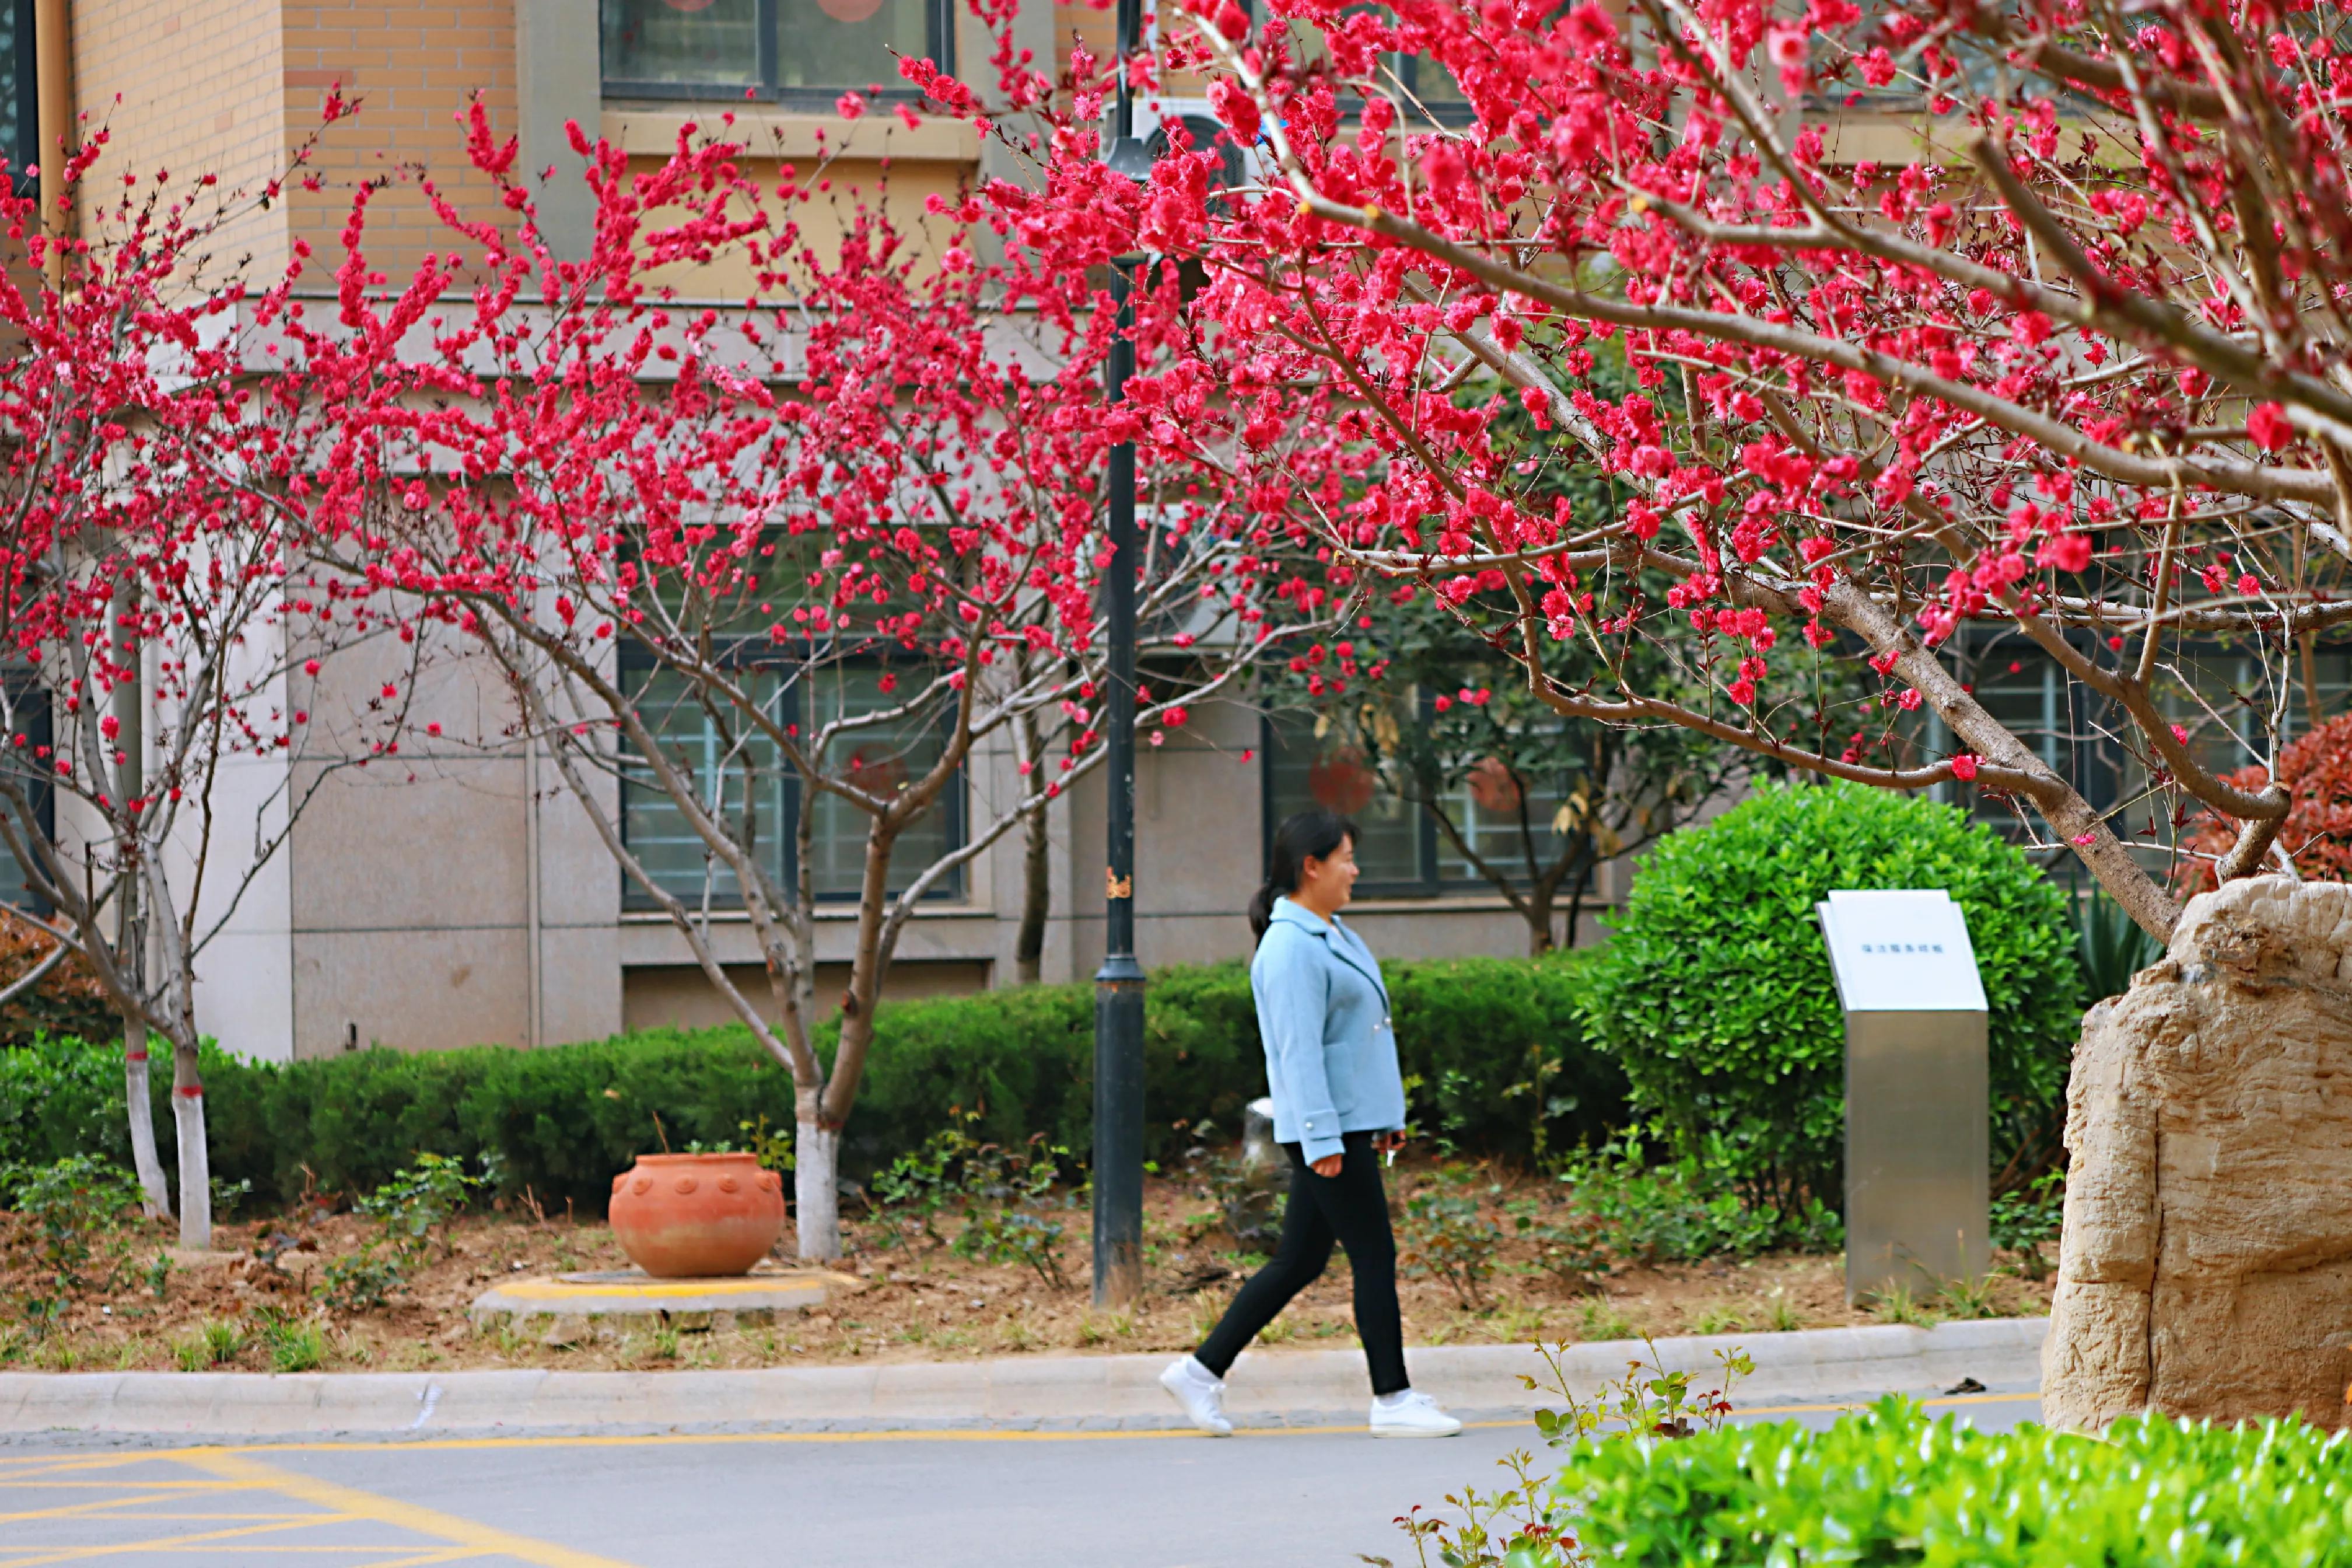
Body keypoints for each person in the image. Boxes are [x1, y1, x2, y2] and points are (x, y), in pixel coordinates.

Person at [1158, 808, 1463, 1438]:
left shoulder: (1330, 932)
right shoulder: (1291, 947)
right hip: (1326, 1130)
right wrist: (1324, 1141)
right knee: (1374, 1253)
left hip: (1349, 1123)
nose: (1356, 869)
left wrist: (1383, 1119)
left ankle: (1200, 1372)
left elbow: (1352, 1040)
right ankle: (1392, 1398)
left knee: (1298, 1262)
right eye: (1346, 858)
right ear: (1312, 866)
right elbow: (1297, 1055)